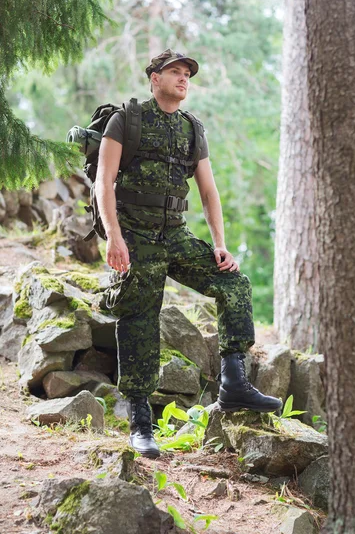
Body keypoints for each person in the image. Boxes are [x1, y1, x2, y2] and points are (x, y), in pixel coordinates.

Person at [96, 49, 282, 458]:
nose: (183, 79)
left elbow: (208, 191)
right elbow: (104, 183)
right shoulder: (126, 120)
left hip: (175, 235)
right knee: (141, 317)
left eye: (187, 74)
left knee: (233, 283)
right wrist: (114, 236)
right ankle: (141, 424)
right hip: (136, 236)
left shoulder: (192, 129)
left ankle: (234, 384)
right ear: (153, 78)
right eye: (174, 72)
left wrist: (219, 243)